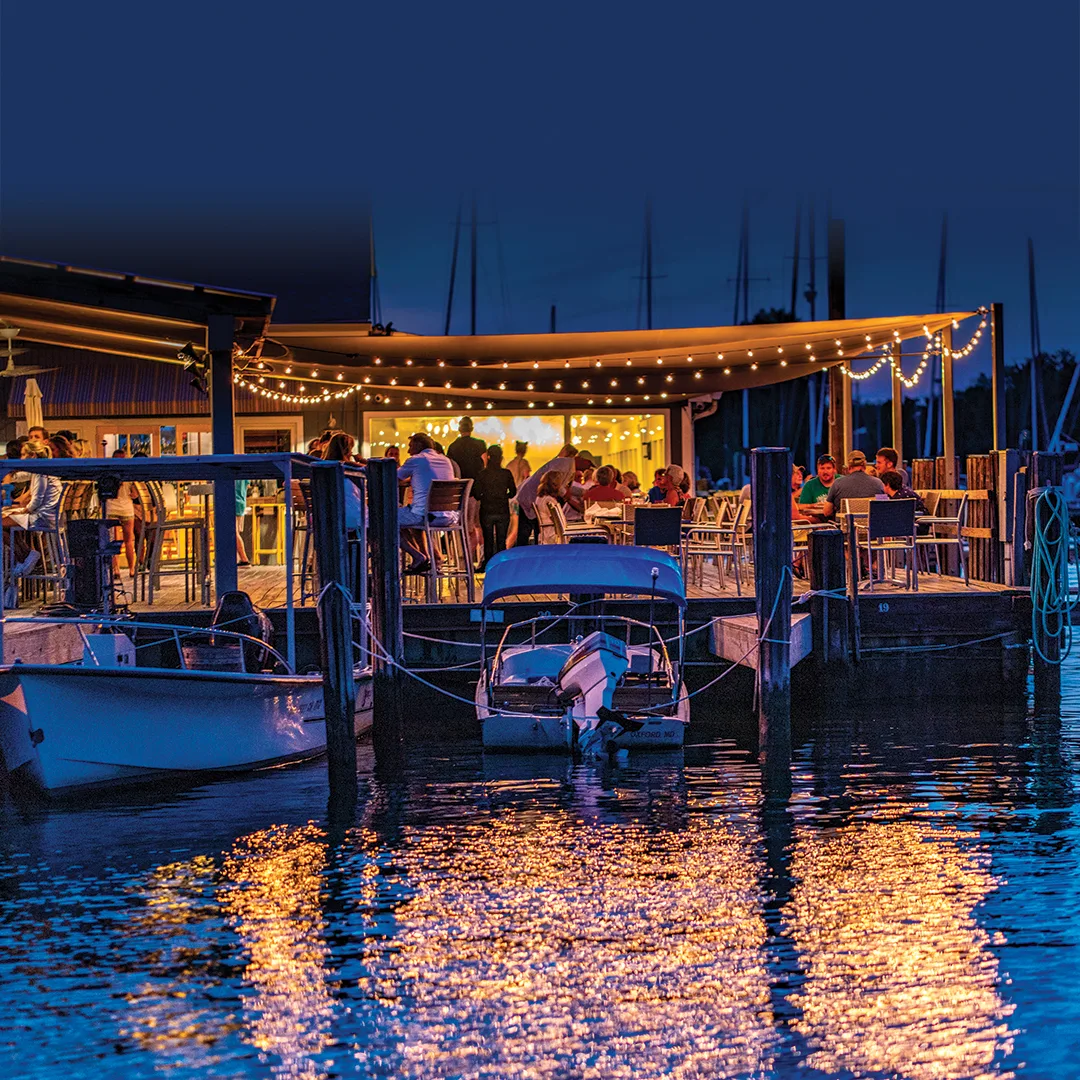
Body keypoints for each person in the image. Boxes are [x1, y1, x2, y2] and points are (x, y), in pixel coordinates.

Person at [397, 432, 455, 572]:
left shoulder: (416, 459)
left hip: (426, 515)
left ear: (419, 445)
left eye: (410, 446)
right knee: (413, 518)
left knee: (385, 518)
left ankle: (417, 556)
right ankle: (433, 557)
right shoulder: (445, 460)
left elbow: (394, 477)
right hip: (448, 516)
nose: (408, 451)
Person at [515, 443, 578, 546]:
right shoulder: (565, 463)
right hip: (531, 497)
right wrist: (569, 496)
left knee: (526, 532)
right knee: (528, 530)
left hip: (527, 495)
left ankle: (523, 556)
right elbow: (557, 482)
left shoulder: (559, 462)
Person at [447, 417, 486, 557]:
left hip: (459, 490)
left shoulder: (453, 446)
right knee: (475, 523)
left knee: (462, 523)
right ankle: (476, 556)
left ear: (459, 428)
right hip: (476, 489)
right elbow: (484, 464)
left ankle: (460, 555)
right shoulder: (480, 444)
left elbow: (451, 469)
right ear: (472, 428)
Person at [473, 444, 516, 569]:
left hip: (487, 509)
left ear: (488, 457)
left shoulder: (482, 474)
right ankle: (502, 563)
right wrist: (503, 495)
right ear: (501, 458)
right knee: (501, 539)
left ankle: (488, 563)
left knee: (488, 538)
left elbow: (476, 493)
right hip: (502, 509)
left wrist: (485, 496)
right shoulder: (506, 474)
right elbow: (513, 492)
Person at [822, 450, 885, 519]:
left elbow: (827, 512)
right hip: (870, 528)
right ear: (864, 466)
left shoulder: (837, 484)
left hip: (846, 528)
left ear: (849, 467)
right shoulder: (878, 483)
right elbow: (883, 507)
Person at [105, 449, 138, 577]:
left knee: (113, 541)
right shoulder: (129, 474)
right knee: (129, 540)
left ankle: (116, 569)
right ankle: (131, 569)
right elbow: (134, 494)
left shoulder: (108, 474)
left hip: (111, 508)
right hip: (126, 509)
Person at [532, 470, 567, 544]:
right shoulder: (549, 501)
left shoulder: (539, 498)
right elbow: (557, 522)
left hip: (546, 534)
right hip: (554, 535)